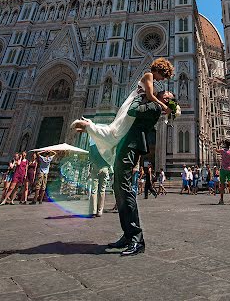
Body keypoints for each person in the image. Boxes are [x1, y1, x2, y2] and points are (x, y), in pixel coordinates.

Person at [72, 57, 174, 256]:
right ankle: (128, 235)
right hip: (127, 141)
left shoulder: (153, 105)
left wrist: (150, 99)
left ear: (165, 101)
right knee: (119, 188)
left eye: (166, 94)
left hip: (131, 145)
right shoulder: (149, 89)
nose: (162, 87)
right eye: (163, 81)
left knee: (125, 189)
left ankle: (136, 238)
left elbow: (135, 109)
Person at [88, 140, 110, 217]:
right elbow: (109, 158)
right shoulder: (107, 147)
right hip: (104, 168)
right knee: (102, 190)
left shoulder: (92, 147)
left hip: (96, 167)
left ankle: (93, 211)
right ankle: (100, 211)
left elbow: (90, 159)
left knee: (94, 190)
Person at [216, 140, 230, 205]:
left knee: (222, 184)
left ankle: (222, 200)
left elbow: (216, 150)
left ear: (225, 144)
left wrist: (218, 144)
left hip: (223, 169)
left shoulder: (223, 151)